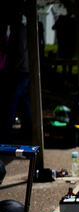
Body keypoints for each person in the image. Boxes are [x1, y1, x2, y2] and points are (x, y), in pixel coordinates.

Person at [1, 14, 31, 142]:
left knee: (11, 100)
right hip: (23, 69)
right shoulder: (20, 29)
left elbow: (18, 52)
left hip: (19, 70)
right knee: (23, 100)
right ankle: (28, 128)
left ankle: (7, 131)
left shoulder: (18, 30)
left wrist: (10, 68)